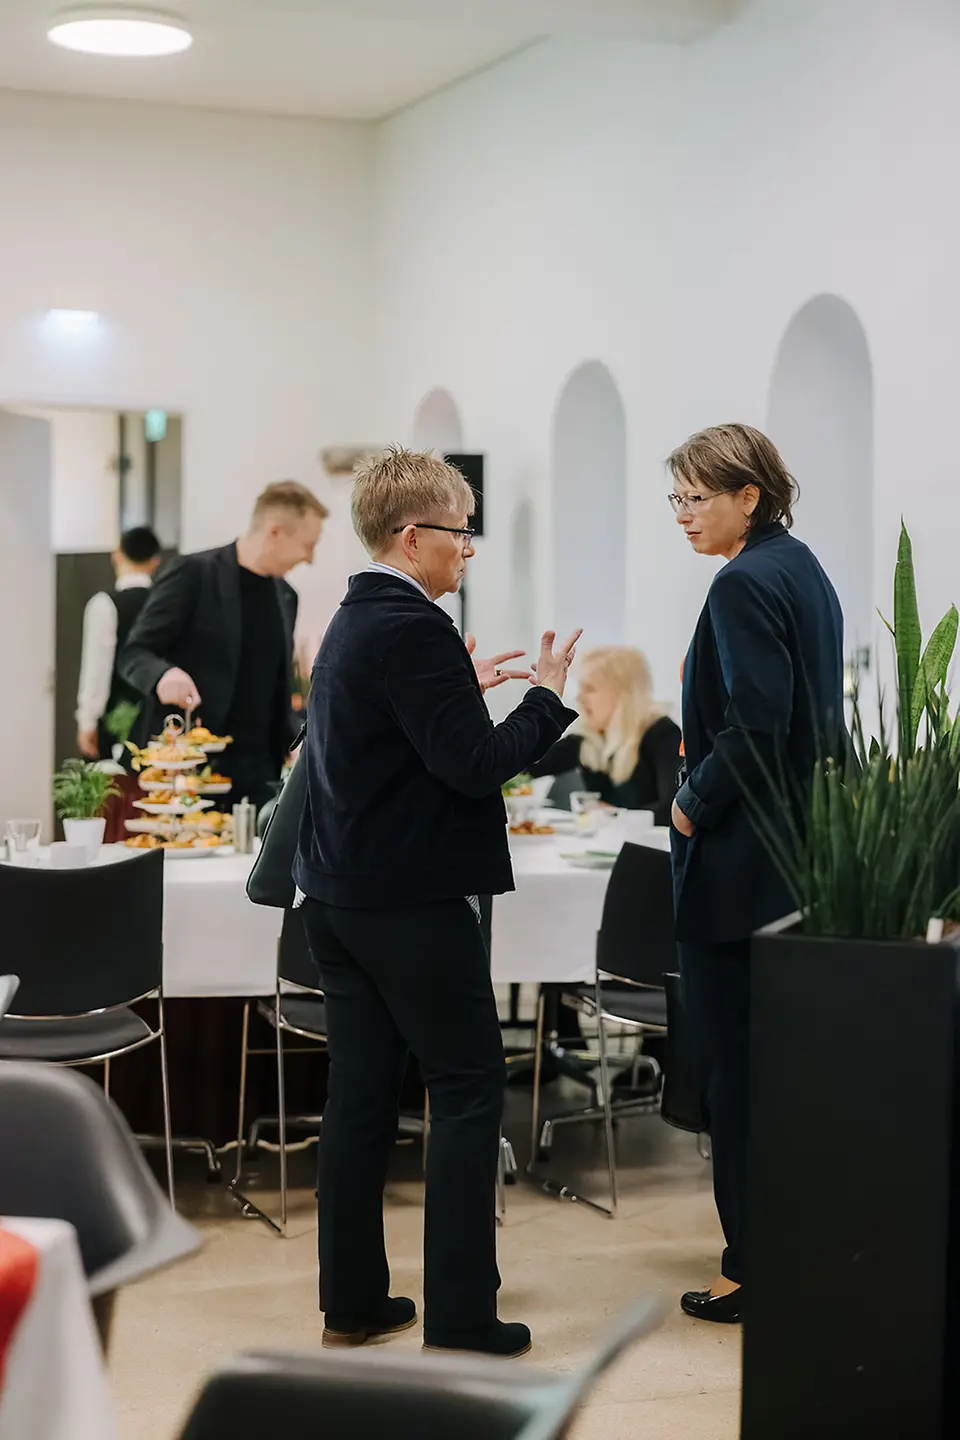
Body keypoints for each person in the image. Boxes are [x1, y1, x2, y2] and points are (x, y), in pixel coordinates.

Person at [294, 447, 580, 1359]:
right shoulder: (408, 628)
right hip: (408, 902)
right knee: (465, 1090)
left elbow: (401, 736)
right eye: (460, 534)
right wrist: (544, 701)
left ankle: (354, 1300)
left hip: (340, 897)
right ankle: (461, 1317)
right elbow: (474, 766)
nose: (469, 551)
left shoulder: (356, 615)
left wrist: (467, 684)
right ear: (411, 535)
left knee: (363, 1101)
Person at [667, 423, 843, 1324]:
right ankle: (793, 1249)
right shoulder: (801, 565)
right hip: (802, 853)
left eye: (699, 497)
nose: (685, 515)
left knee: (736, 1079)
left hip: (743, 866)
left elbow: (761, 724)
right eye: (679, 499)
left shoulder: (742, 581)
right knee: (782, 1076)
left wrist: (691, 801)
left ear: (749, 496)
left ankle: (749, 1266)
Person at [119, 481, 328, 810]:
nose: (310, 559)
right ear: (275, 532)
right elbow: (134, 652)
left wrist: (296, 741)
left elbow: (275, 686)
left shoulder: (287, 596)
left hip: (260, 774)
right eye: (307, 545)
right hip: (190, 767)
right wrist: (162, 675)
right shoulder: (193, 574)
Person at [528, 646, 681, 822]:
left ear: (622, 694)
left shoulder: (662, 733)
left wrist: (616, 816)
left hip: (651, 845)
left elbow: (674, 809)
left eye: (590, 688)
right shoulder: (588, 737)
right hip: (607, 843)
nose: (580, 697)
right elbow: (525, 767)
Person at [75, 526, 162, 761]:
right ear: (155, 562)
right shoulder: (164, 604)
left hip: (115, 719)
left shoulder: (104, 604)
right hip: (158, 720)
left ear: (117, 555)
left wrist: (87, 721)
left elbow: (97, 667)